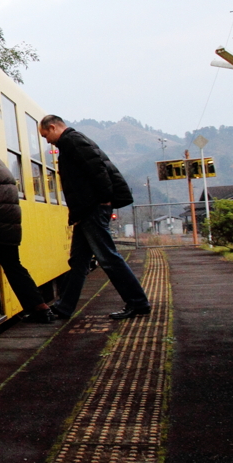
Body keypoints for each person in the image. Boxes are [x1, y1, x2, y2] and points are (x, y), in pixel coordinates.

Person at [38, 115, 151, 320]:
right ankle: (63, 307)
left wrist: (105, 199)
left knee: (107, 257)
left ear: (53, 127)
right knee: (78, 261)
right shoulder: (72, 141)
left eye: (46, 135)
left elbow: (97, 169)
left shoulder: (72, 141)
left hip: (92, 208)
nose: (47, 140)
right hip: (86, 209)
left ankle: (138, 303)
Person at [0, 132, 57, 324]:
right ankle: (39, 307)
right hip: (6, 225)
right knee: (14, 267)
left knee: (14, 269)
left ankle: (40, 308)